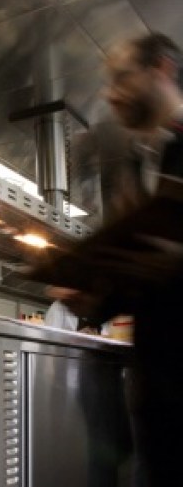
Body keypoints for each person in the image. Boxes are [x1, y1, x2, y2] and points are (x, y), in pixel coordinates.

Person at [54, 32, 183, 487]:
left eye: (122, 78)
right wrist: (96, 301)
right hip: (160, 389)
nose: (111, 94)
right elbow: (149, 275)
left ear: (161, 69)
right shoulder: (140, 161)